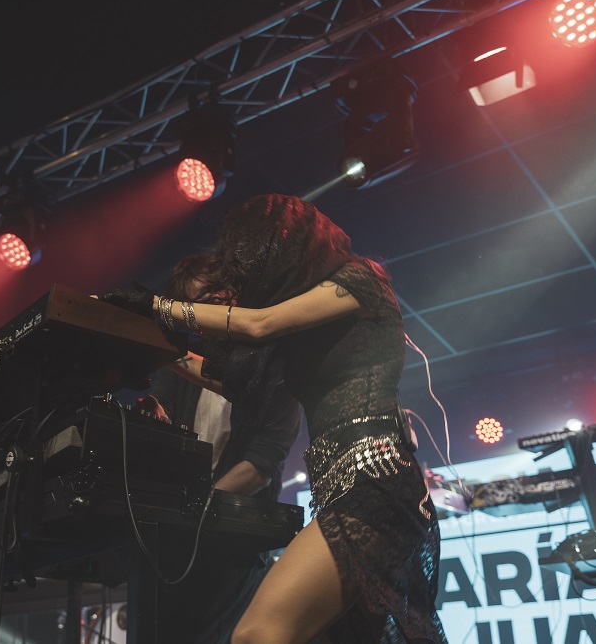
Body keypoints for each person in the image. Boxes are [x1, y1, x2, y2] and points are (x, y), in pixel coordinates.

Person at [104, 194, 447, 643]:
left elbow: (260, 324)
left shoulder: (360, 280)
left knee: (258, 634)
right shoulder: (310, 332)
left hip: (376, 481)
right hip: (343, 487)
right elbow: (228, 381)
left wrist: (155, 307)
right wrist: (158, 350)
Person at [138, 253, 302, 643]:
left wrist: (199, 509)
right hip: (177, 533)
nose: (222, 296)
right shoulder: (184, 365)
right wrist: (150, 414)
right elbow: (162, 407)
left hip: (236, 538)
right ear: (189, 311)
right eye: (207, 294)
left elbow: (263, 461)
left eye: (224, 287)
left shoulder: (277, 364)